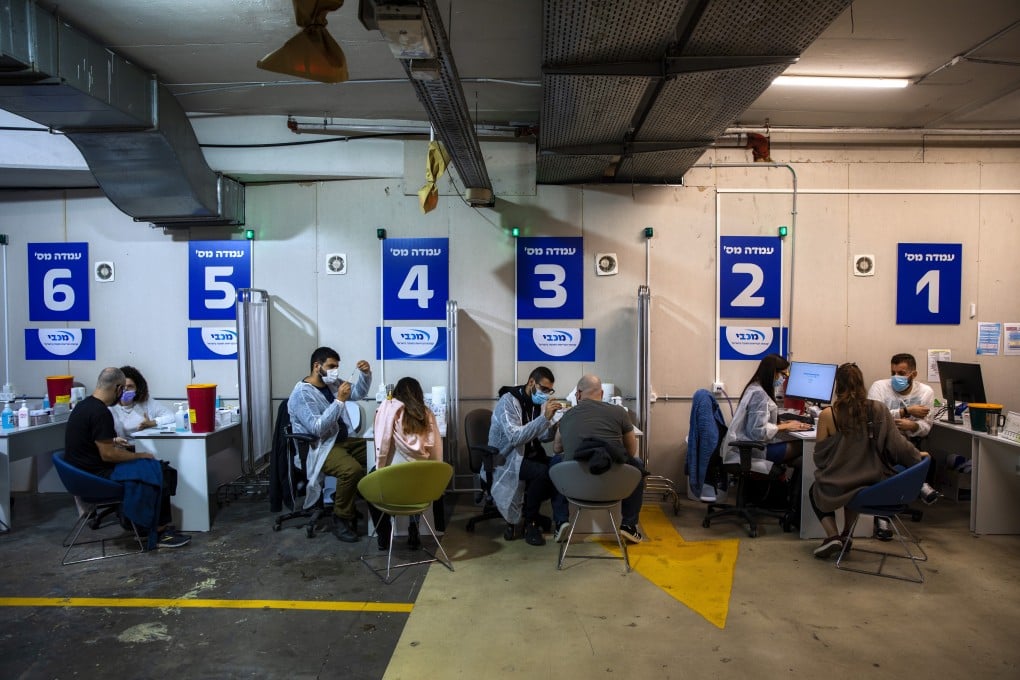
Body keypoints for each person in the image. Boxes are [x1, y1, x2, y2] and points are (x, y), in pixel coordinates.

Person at [810, 362, 928, 558]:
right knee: (855, 491)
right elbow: (898, 446)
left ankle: (833, 537)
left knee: (815, 489)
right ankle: (847, 534)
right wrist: (919, 456)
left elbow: (819, 456)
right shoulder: (879, 410)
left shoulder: (829, 414)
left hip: (839, 483)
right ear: (861, 384)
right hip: (872, 483)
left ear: (837, 385)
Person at [64, 367, 190, 548]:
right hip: (96, 476)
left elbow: (94, 442)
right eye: (123, 388)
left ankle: (145, 526)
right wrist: (141, 455)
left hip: (79, 474)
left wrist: (114, 441)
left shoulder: (84, 406)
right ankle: (158, 532)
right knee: (158, 471)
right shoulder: (101, 413)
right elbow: (108, 454)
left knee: (154, 468)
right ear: (118, 388)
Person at [287, 346, 372, 543]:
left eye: (337, 367)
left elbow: (357, 393)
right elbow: (317, 428)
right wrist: (339, 401)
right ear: (317, 366)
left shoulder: (331, 384)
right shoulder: (302, 394)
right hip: (319, 448)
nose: (335, 371)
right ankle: (340, 517)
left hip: (342, 440)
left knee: (377, 452)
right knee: (352, 470)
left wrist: (365, 374)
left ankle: (344, 499)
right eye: (331, 366)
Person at [552, 374, 645, 543]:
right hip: (612, 487)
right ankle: (629, 525)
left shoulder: (567, 416)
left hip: (576, 489)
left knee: (555, 462)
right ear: (601, 393)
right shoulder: (619, 412)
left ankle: (561, 521)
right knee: (637, 466)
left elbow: (556, 448)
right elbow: (631, 451)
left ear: (578, 394)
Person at [488, 366, 564, 546]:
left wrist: (556, 424)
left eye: (549, 391)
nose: (545, 394)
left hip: (528, 455)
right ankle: (531, 522)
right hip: (507, 458)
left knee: (558, 466)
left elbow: (541, 436)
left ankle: (553, 518)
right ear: (531, 382)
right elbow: (515, 437)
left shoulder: (536, 403)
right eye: (543, 389)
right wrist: (544, 419)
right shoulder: (508, 401)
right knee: (541, 473)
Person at [372, 376, 443, 550]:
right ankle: (414, 527)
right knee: (415, 484)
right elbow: (436, 453)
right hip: (418, 484)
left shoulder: (387, 410)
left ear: (396, 393)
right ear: (419, 394)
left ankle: (383, 533)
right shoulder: (427, 414)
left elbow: (380, 441)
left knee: (369, 483)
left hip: (392, 483)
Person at [867, 352, 938, 524]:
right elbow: (872, 417)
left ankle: (882, 516)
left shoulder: (925, 392)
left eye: (901, 373)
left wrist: (913, 426)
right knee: (890, 436)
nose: (895, 377)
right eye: (893, 373)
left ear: (913, 374)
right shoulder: (879, 387)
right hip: (880, 440)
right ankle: (920, 483)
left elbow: (926, 427)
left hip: (908, 441)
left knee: (894, 444)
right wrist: (906, 411)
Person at [724, 353, 810, 473]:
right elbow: (757, 432)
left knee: (800, 459)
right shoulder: (759, 394)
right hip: (754, 451)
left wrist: (784, 423)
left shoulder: (756, 387)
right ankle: (794, 488)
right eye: (783, 374)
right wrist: (784, 426)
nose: (784, 378)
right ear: (772, 372)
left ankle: (789, 486)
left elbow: (759, 421)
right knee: (805, 447)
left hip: (755, 447)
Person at [109, 365, 174, 438]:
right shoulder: (110, 406)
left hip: (143, 445)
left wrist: (152, 423)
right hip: (121, 447)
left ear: (137, 388)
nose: (126, 390)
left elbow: (171, 416)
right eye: (123, 386)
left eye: (130, 386)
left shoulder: (146, 401)